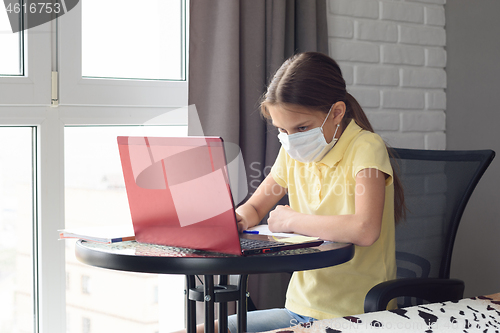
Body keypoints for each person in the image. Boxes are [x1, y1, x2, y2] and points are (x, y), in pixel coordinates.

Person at [227, 51, 406, 333]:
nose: (291, 140)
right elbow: (256, 207)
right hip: (299, 309)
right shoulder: (292, 153)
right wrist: (236, 218)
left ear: (337, 112)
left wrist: (291, 220)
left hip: (355, 315)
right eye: (282, 130)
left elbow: (365, 228)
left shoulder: (366, 148)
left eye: (302, 128)